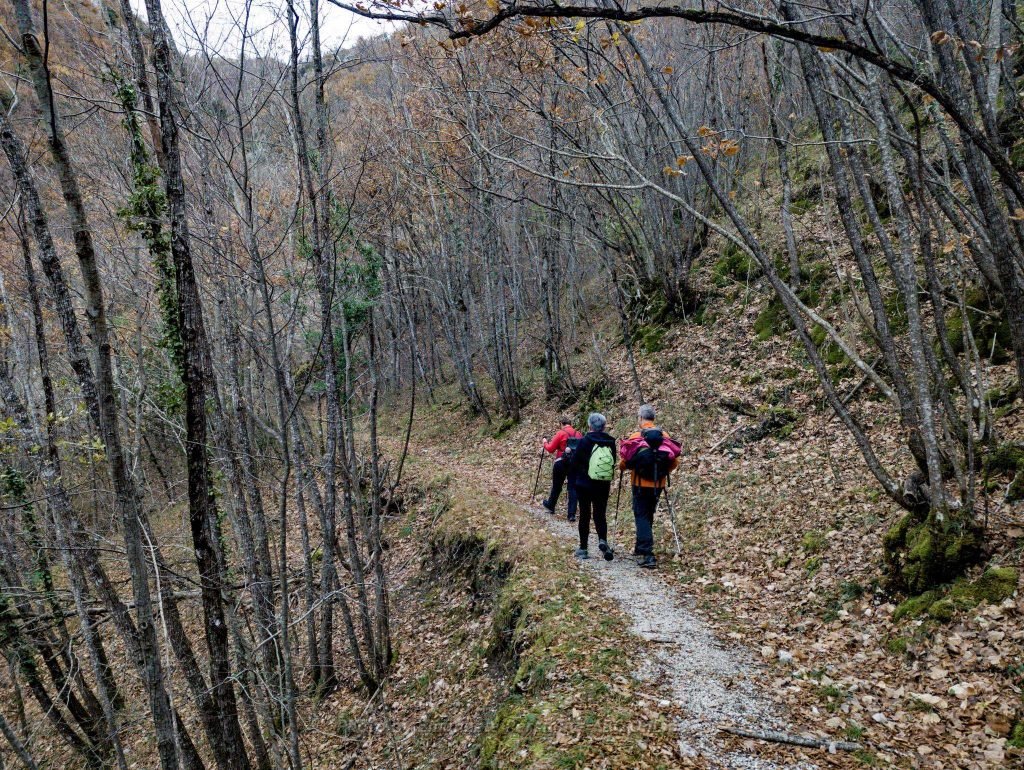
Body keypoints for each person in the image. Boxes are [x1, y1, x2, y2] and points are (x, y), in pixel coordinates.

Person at [619, 404, 680, 569]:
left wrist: (622, 467)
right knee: (648, 513)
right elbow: (674, 461)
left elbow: (626, 462)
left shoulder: (636, 436)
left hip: (639, 483)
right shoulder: (664, 436)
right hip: (658, 484)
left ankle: (648, 554)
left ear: (640, 418)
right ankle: (640, 547)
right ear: (653, 418)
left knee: (641, 515)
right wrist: (662, 472)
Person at [568, 412, 616, 561]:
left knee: (584, 515)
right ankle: (603, 541)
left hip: (584, 484)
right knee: (600, 514)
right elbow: (613, 461)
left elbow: (575, 463)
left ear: (590, 426)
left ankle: (583, 548)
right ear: (604, 426)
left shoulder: (585, 441)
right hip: (603, 484)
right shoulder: (611, 441)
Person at [541, 416, 581, 522]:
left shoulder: (561, 433)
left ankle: (551, 505)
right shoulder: (578, 434)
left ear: (561, 424)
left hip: (561, 462)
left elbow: (550, 449)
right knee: (573, 488)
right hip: (575, 464)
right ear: (570, 424)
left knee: (557, 486)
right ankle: (571, 514)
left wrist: (544, 442)